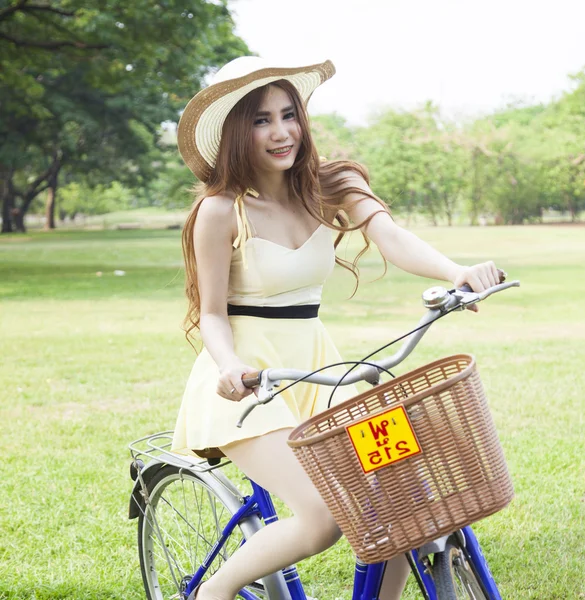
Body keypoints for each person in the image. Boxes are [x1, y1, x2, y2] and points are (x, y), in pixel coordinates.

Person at [171, 56, 501, 600]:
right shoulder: (221, 210)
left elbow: (393, 237)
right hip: (250, 381)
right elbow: (211, 314)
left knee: (405, 501)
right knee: (321, 519)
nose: (281, 133)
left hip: (324, 371)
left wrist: (455, 272)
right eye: (260, 121)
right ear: (235, 132)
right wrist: (230, 367)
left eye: (288, 115)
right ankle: (214, 592)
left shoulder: (332, 184)